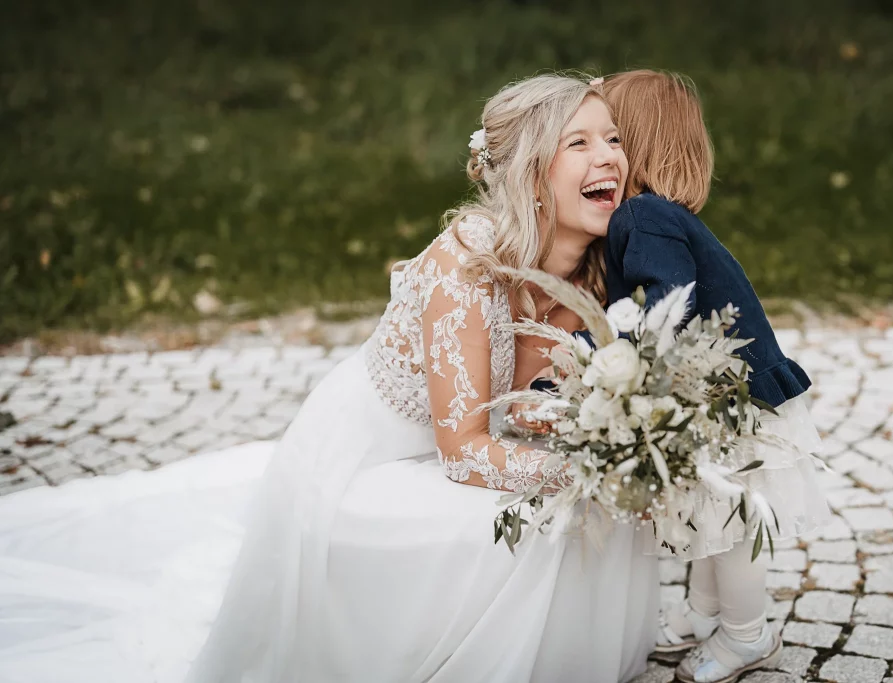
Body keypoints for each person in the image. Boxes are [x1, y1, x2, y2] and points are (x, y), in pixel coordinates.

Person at [0, 75, 659, 683]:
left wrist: (617, 442)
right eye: (580, 142)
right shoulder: (471, 263)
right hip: (372, 462)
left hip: (473, 448)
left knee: (607, 497)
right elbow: (461, 449)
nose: (608, 156)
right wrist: (582, 469)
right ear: (532, 171)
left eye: (614, 139)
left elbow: (530, 410)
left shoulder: (605, 273)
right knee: (544, 508)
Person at [597, 70, 832, 683]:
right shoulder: (658, 213)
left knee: (728, 529)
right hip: (727, 387)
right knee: (711, 517)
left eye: (610, 136)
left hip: (726, 396)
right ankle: (703, 613)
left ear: (635, 144)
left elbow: (669, 305)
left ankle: (747, 635)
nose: (601, 153)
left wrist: (623, 362)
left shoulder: (644, 215)